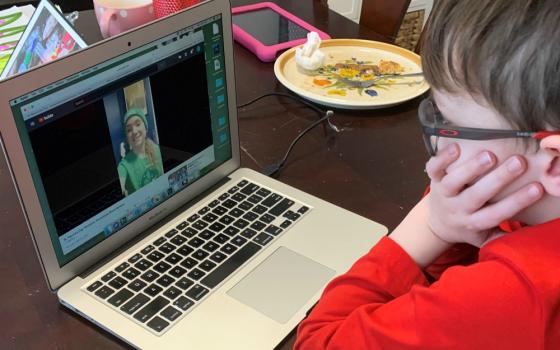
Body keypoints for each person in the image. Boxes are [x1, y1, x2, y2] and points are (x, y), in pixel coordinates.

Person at [294, 0, 560, 348]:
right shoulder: (532, 209)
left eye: (451, 126)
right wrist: (456, 222)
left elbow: (320, 341)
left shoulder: (518, 294)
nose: (436, 140)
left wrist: (432, 225)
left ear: (554, 162)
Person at [118, 108, 163, 196]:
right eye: (129, 130)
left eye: (138, 124)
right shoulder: (124, 166)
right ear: (127, 137)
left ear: (145, 128)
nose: (134, 131)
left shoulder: (157, 150)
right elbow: (120, 177)